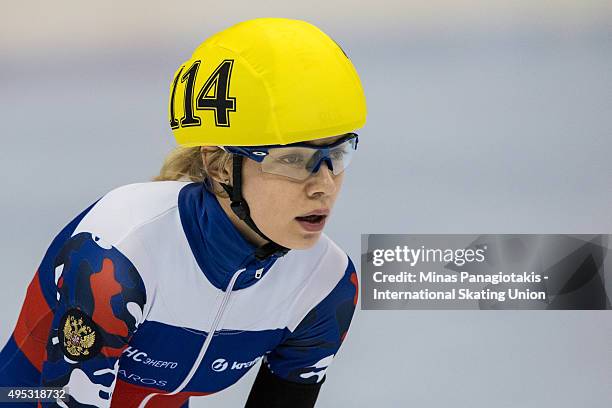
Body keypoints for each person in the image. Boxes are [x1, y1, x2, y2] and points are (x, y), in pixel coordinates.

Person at [0, 17, 366, 407]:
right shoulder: (120, 255)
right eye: (294, 159)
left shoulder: (326, 286)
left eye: (337, 154)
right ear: (221, 166)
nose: (323, 184)